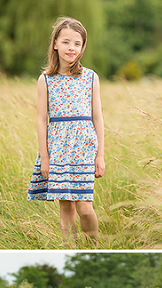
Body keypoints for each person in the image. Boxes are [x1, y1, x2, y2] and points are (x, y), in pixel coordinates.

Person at [26, 16, 105, 245]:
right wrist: (45, 158)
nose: (71, 48)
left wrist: (100, 154)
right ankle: (68, 246)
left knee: (84, 207)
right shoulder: (46, 79)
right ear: (55, 44)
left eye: (77, 44)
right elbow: (41, 120)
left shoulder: (90, 77)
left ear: (82, 47)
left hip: (84, 147)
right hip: (57, 148)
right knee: (66, 208)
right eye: (66, 42)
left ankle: (93, 245)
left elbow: (97, 118)